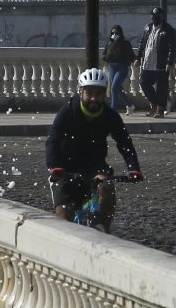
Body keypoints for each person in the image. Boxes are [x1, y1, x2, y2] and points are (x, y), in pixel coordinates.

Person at [46, 68, 144, 233]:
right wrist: (54, 166)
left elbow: (124, 143)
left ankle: (103, 230)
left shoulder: (110, 116)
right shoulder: (68, 112)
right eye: (89, 93)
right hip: (66, 168)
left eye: (98, 94)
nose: (93, 98)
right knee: (63, 216)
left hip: (95, 165)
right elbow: (53, 141)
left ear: (104, 94)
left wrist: (133, 168)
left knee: (106, 185)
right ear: (81, 92)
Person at [134, 7, 176, 118]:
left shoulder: (168, 29)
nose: (154, 17)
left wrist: (169, 61)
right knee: (143, 83)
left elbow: (172, 47)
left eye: (157, 15)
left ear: (162, 16)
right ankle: (154, 105)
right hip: (147, 62)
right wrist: (137, 57)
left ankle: (160, 109)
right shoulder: (148, 28)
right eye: (153, 15)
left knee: (161, 87)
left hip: (160, 63)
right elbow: (142, 43)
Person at [101, 25, 135, 115]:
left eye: (116, 33)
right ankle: (130, 105)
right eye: (113, 33)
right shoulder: (109, 43)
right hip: (111, 68)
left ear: (120, 33)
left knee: (114, 87)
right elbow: (103, 55)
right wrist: (109, 55)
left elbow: (131, 55)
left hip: (122, 67)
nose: (114, 34)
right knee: (117, 89)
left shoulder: (125, 43)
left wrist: (135, 60)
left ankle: (113, 110)